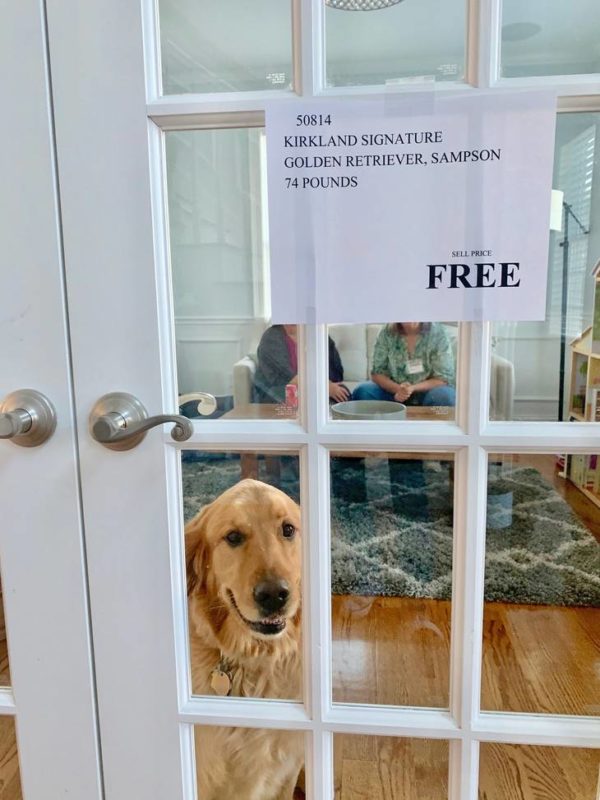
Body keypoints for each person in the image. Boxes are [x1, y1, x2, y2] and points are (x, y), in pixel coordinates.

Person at [352, 322, 455, 406]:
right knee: (362, 392)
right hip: (393, 392)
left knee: (445, 397)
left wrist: (411, 389)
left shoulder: (438, 332)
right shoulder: (386, 332)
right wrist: (398, 390)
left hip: (427, 393)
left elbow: (443, 378)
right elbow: (377, 373)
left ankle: (435, 430)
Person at [253, 324, 349, 404]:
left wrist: (329, 386)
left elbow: (335, 373)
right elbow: (288, 378)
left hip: (311, 388)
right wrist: (323, 386)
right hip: (278, 390)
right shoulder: (272, 337)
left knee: (343, 394)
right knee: (296, 396)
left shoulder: (317, 334)